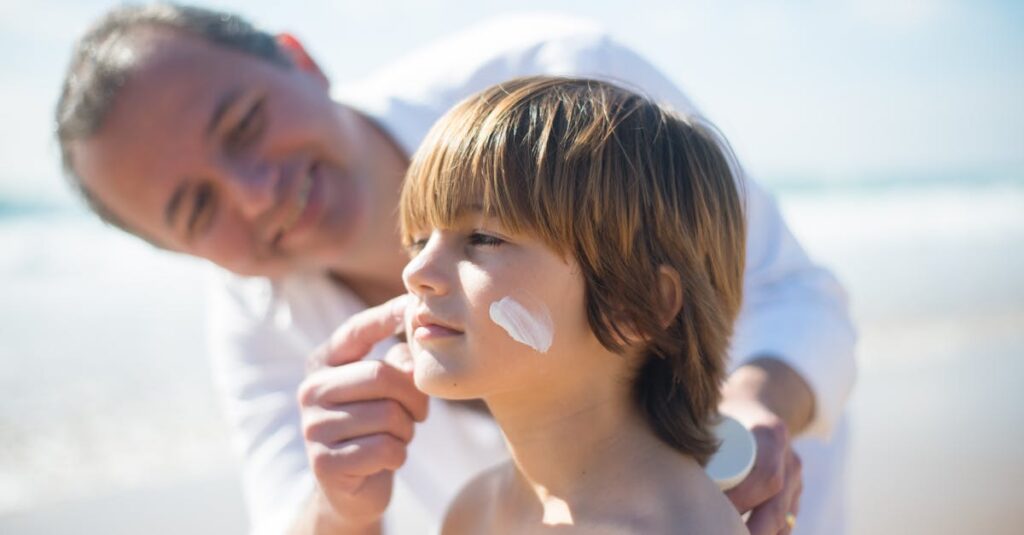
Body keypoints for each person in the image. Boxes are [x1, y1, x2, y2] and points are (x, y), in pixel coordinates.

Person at [55, 4, 856, 535]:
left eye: (243, 124)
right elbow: (287, 514)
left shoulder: (577, 96)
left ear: (300, 59)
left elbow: (795, 293)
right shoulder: (471, 509)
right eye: (197, 207)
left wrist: (753, 411)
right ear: (179, 252)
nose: (256, 192)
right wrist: (340, 506)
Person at [399, 75, 749, 534]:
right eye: (419, 240)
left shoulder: (678, 526)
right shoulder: (476, 510)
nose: (417, 271)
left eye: (483, 238)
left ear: (635, 304)